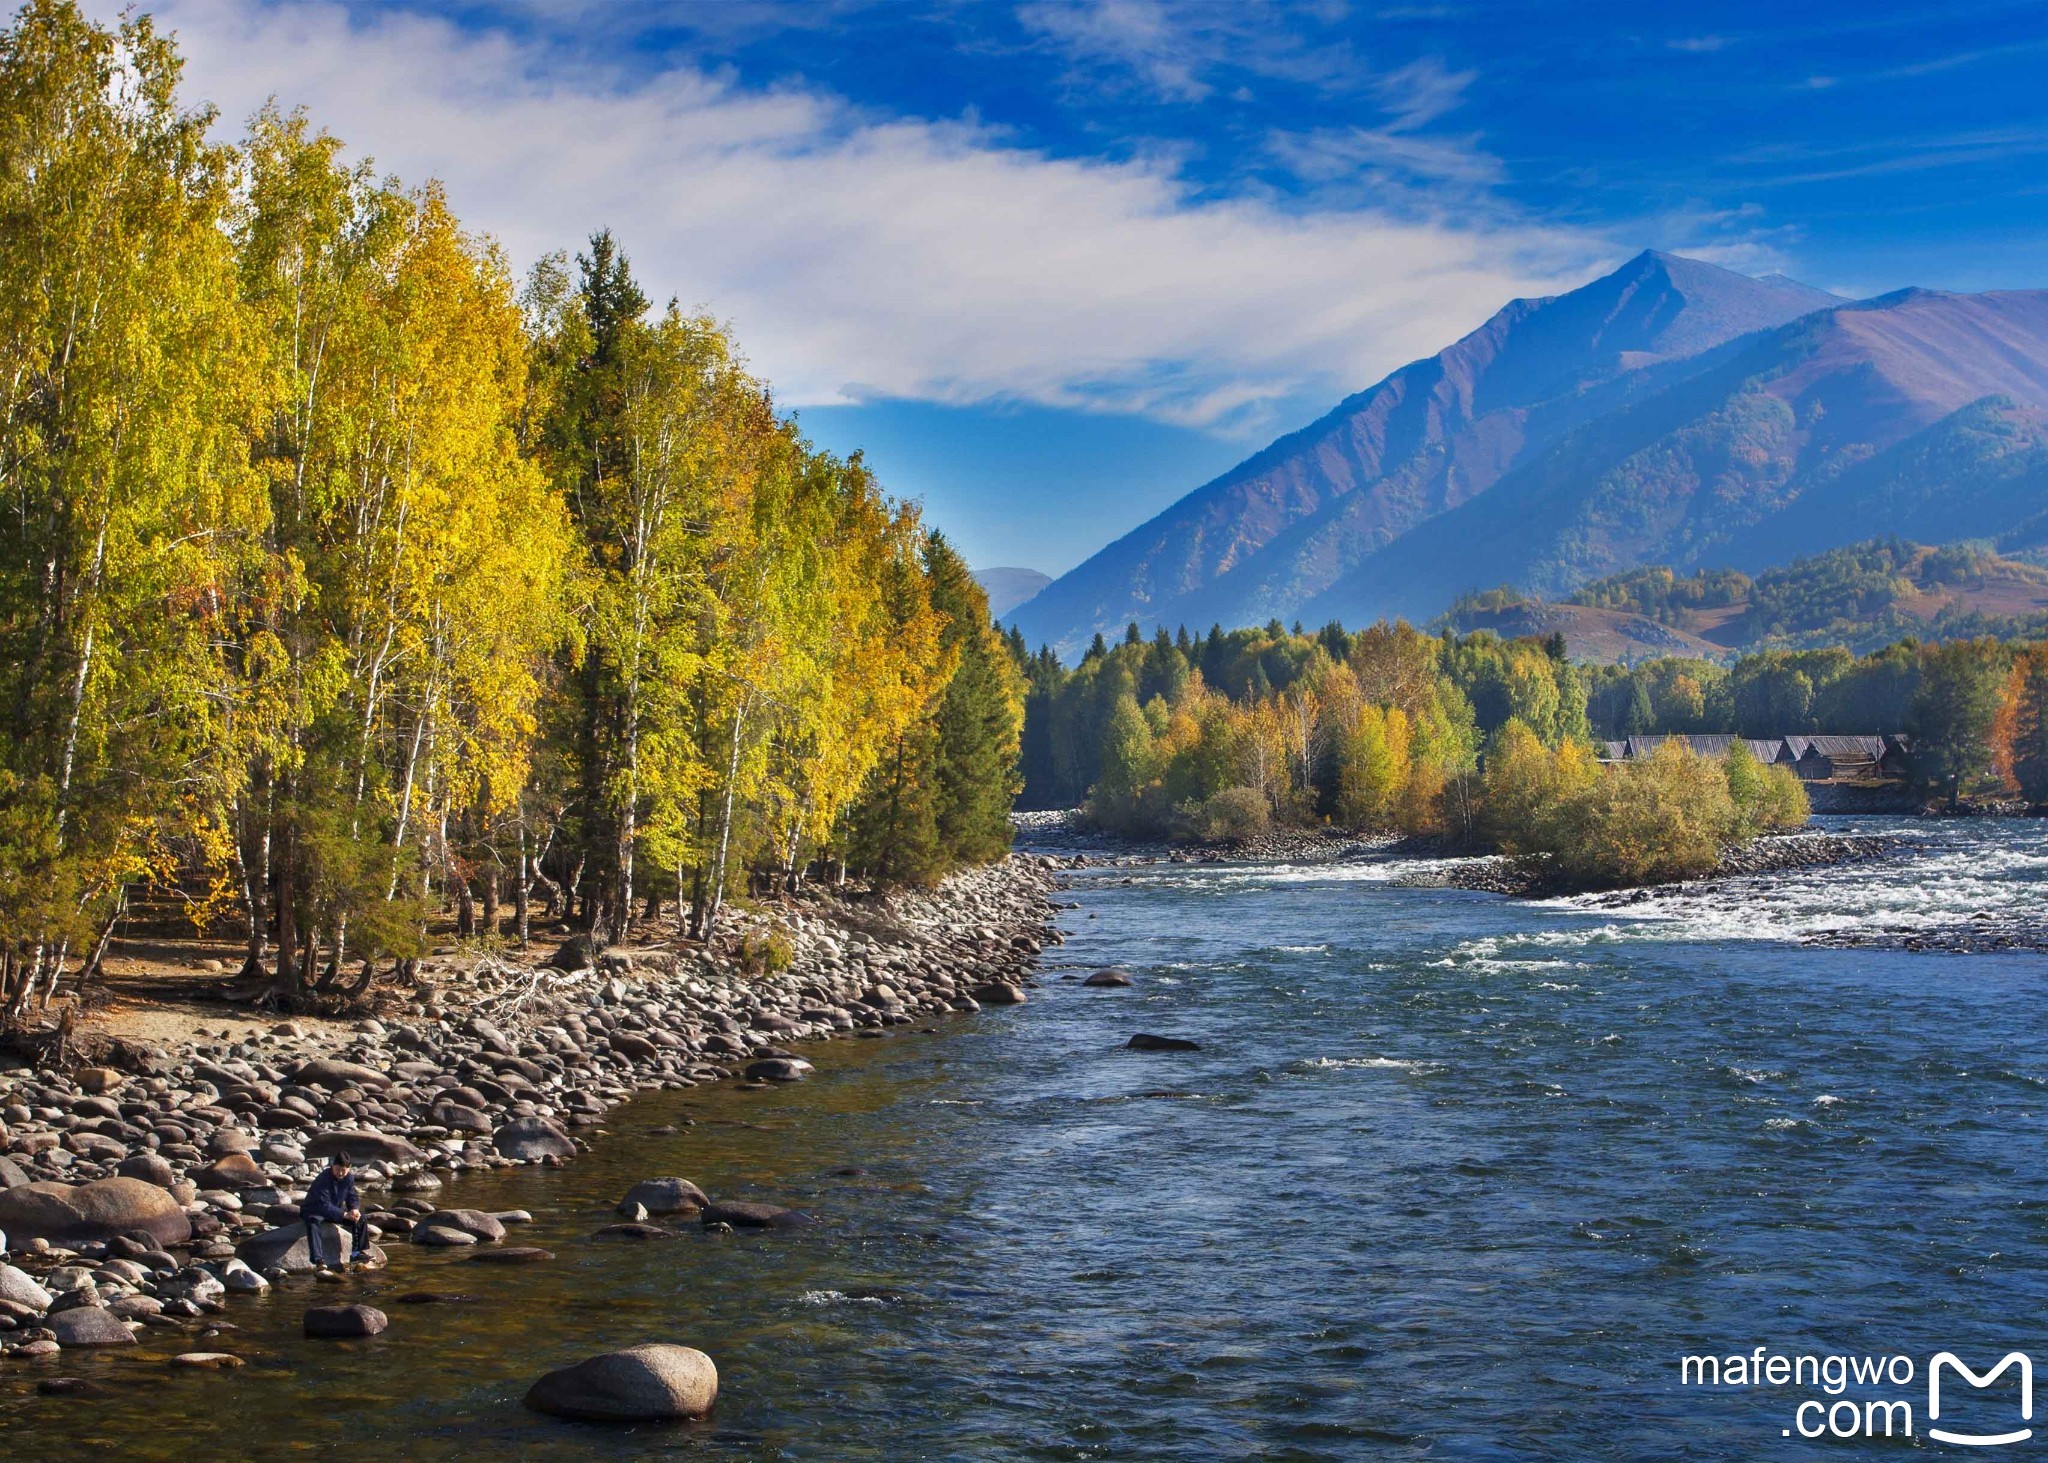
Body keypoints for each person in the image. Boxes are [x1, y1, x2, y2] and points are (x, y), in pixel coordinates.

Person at [302, 1152, 372, 1273]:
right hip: (314, 1209)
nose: (340, 1173)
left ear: (348, 1168)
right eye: (337, 1169)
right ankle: (318, 1260)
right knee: (313, 1222)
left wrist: (354, 1209)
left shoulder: (348, 1177)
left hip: (333, 1210)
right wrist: (343, 1214)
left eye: (343, 1170)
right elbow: (323, 1204)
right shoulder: (323, 1179)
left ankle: (356, 1252)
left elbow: (352, 1195)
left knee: (360, 1218)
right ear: (332, 1166)